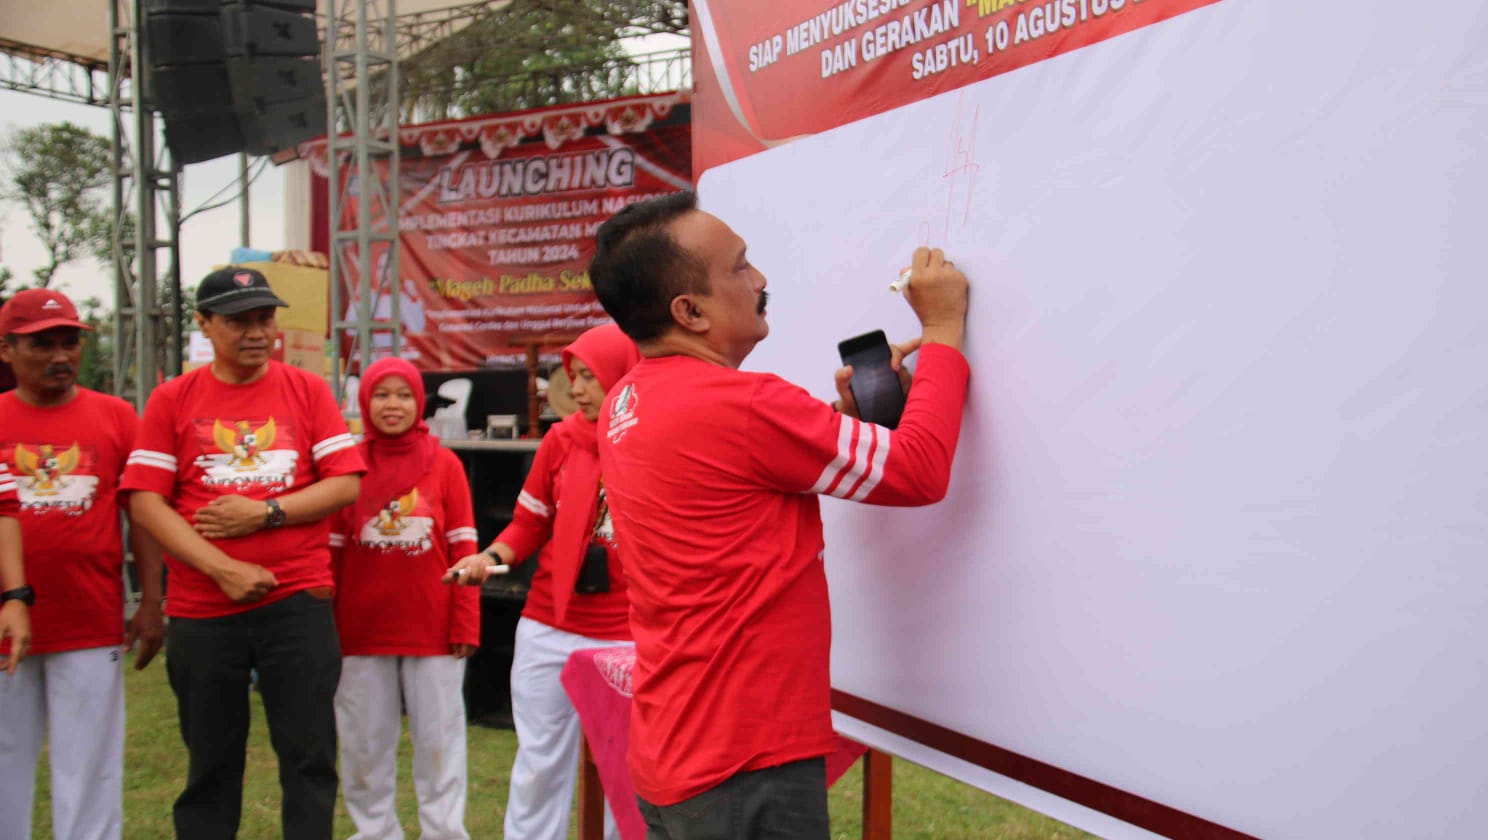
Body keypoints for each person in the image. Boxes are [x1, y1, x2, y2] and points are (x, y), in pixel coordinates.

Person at [587, 190, 971, 838]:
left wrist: (845, 424)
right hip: (746, 761)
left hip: (677, 750)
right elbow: (918, 471)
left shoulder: (626, 399)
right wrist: (941, 332)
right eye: (739, 267)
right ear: (690, 310)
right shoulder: (745, 406)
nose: (760, 280)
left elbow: (732, 477)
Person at [121, 266, 365, 840]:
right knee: (211, 763)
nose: (257, 332)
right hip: (204, 610)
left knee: (309, 758)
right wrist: (222, 568)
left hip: (297, 602)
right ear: (204, 324)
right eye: (238, 321)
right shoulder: (172, 399)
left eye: (265, 318)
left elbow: (346, 482)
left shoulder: (305, 389)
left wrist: (267, 511)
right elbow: (145, 502)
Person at [445, 323, 642, 840]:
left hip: (630, 634)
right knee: (539, 764)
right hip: (549, 627)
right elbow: (530, 523)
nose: (574, 390)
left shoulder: (654, 439)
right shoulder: (560, 439)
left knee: (628, 770)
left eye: (588, 378)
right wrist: (488, 555)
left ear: (623, 377)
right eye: (572, 377)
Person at [0, 288, 167, 840]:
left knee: (90, 772)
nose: (59, 356)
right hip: (4, 625)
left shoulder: (116, 416)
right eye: (41, 344)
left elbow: (142, 515)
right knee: (5, 766)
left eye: (69, 342)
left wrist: (150, 601)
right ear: (6, 350)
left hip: (90, 620)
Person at [329, 356, 479, 840]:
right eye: (381, 394)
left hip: (434, 629)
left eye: (403, 395)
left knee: (440, 744)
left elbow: (464, 551)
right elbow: (329, 558)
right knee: (363, 746)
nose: (392, 405)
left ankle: (443, 832)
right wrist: (325, 627)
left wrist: (465, 622)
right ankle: (375, 832)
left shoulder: (447, 464)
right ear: (363, 401)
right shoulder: (344, 467)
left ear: (419, 403)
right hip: (359, 630)